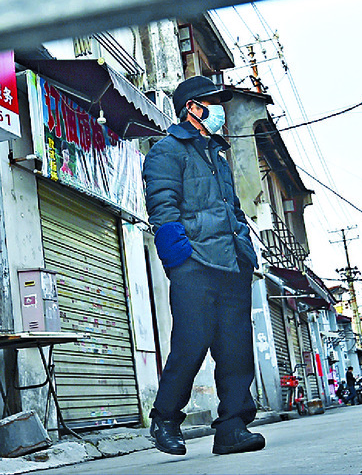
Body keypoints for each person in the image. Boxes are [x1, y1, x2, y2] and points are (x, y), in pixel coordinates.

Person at [142, 75, 265, 456]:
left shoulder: (218, 157)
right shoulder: (166, 152)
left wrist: (244, 249)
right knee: (191, 344)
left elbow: (234, 209)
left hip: (232, 263)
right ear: (192, 109)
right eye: (213, 104)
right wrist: (180, 261)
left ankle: (232, 426)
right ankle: (165, 417)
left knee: (236, 347)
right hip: (195, 263)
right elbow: (162, 208)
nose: (220, 113)